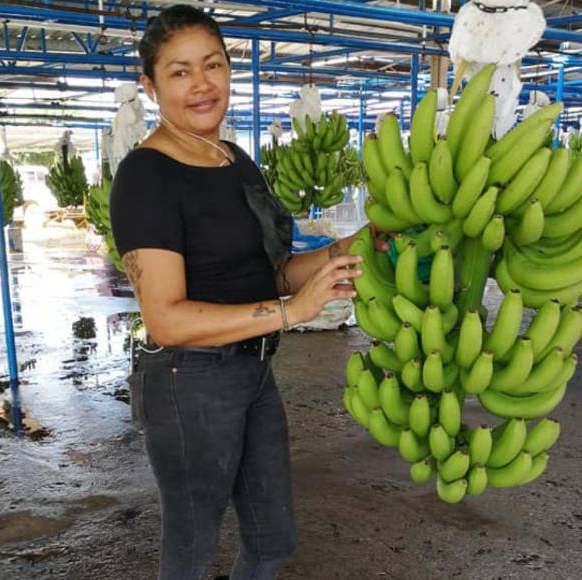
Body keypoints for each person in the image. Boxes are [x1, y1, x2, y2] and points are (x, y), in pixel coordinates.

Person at [110, 6, 371, 579]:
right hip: (188, 382)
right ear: (150, 86)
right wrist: (290, 313)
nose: (201, 85)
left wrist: (351, 247)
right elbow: (166, 321)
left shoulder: (234, 158)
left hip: (253, 373)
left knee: (273, 540)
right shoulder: (146, 177)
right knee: (192, 551)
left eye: (213, 65)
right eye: (179, 73)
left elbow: (270, 274)